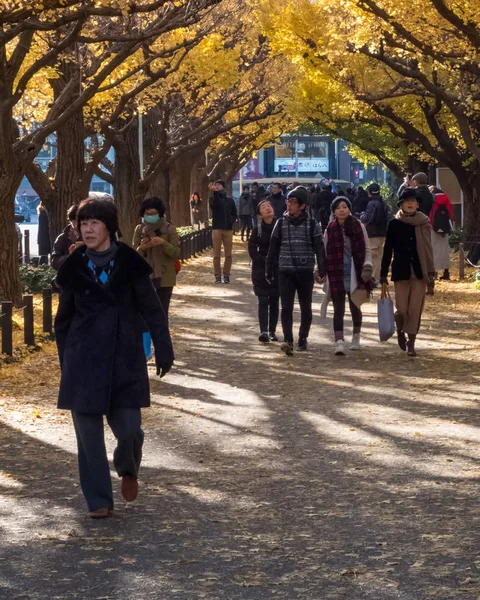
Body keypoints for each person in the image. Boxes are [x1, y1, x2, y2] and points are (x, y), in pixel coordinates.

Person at [54, 199, 174, 519]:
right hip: (83, 361)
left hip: (124, 361)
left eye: (94, 222)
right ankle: (98, 500)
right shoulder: (74, 266)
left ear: (109, 226)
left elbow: (152, 309)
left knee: (131, 430)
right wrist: (66, 362)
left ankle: (128, 466)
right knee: (88, 437)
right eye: (82, 223)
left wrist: (164, 349)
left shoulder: (131, 262)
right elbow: (62, 322)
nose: (87, 229)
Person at [266, 186, 326, 355]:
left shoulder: (313, 224)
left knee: (306, 308)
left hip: (305, 271)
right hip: (285, 271)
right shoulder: (280, 223)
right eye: (288, 201)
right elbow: (273, 248)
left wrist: (322, 269)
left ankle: (303, 338)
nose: (289, 205)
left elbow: (319, 248)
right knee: (286, 307)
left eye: (293, 202)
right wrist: (269, 270)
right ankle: (288, 340)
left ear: (302, 206)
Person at [380, 189, 434, 357]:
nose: (410, 203)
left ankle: (412, 342)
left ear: (418, 204)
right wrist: (383, 274)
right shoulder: (394, 224)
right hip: (401, 271)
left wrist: (431, 275)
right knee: (402, 309)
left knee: (415, 309)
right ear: (401, 204)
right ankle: (400, 329)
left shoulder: (424, 223)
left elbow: (428, 249)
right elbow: (388, 250)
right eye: (406, 201)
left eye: (413, 201)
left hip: (419, 272)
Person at [325, 197, 374, 355]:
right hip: (336, 271)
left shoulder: (358, 226)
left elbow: (366, 247)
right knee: (338, 307)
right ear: (334, 211)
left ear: (349, 209)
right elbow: (325, 250)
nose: (341, 210)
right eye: (338, 207)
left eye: (344, 206)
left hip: (356, 270)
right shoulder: (330, 228)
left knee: (355, 305)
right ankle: (339, 341)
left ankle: (356, 336)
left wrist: (367, 265)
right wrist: (320, 269)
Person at [133, 197, 180, 320]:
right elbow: (133, 257)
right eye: (147, 214)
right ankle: (147, 339)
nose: (150, 216)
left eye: (153, 214)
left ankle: (161, 338)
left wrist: (163, 243)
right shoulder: (139, 229)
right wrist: (142, 248)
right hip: (145, 276)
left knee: (162, 312)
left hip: (165, 277)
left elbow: (175, 253)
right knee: (145, 313)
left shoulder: (169, 228)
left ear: (159, 213)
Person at [248, 200, 280, 343]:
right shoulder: (257, 230)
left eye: (269, 206)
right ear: (260, 215)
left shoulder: (280, 227)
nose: (267, 208)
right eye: (263, 207)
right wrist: (263, 259)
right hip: (260, 270)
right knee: (263, 300)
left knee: (274, 300)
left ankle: (272, 330)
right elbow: (252, 249)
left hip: (277, 269)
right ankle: (264, 331)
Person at [360, 183, 392, 283]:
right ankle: (381, 276)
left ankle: (375, 278)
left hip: (373, 233)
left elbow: (368, 219)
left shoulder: (372, 203)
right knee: (380, 255)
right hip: (382, 232)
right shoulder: (383, 202)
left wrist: (362, 216)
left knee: (374, 257)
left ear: (369, 192)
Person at [209, 180, 237, 284]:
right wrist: (215, 193)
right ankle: (217, 275)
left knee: (228, 254)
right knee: (216, 254)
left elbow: (234, 213)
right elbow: (216, 205)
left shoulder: (230, 200)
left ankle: (226, 274)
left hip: (228, 229)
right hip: (217, 228)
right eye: (215, 185)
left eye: (219, 185)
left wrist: (231, 221)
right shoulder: (212, 199)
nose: (216, 186)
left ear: (223, 187)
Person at [429, 188, 453, 280]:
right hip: (444, 228)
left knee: (433, 250)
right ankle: (446, 272)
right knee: (444, 250)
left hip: (433, 228)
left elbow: (430, 214)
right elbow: (450, 215)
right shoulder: (446, 199)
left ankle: (434, 272)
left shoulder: (432, 199)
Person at [51, 205, 80, 271]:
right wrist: (69, 256)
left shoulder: (89, 236)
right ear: (70, 220)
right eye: (74, 220)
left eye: (79, 220)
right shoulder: (62, 238)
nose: (77, 223)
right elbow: (54, 262)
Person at [37, 201, 51, 265]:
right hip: (45, 237)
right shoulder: (44, 213)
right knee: (44, 256)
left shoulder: (42, 212)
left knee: (44, 256)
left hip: (43, 237)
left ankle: (43, 268)